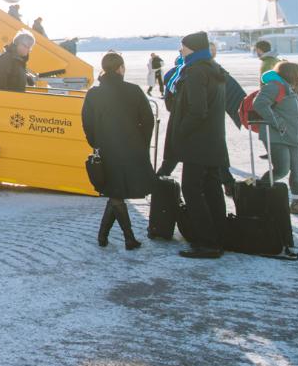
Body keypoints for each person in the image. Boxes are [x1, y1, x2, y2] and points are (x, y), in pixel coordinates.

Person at [82, 52, 155, 249]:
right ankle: (127, 238)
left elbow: (87, 123)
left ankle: (104, 237)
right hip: (132, 149)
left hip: (106, 149)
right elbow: (148, 121)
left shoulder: (94, 94)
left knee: (115, 191)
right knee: (117, 192)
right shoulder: (133, 90)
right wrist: (141, 143)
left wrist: (96, 143)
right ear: (120, 68)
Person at [168, 31, 229, 259]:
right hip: (213, 142)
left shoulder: (195, 72)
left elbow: (197, 110)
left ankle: (206, 242)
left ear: (191, 48)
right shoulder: (215, 70)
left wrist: (181, 131)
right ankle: (219, 238)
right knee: (212, 190)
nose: (181, 51)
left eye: (182, 47)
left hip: (198, 144)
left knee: (192, 190)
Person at [253, 61, 298, 216]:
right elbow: (259, 104)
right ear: (292, 74)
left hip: (295, 137)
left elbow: (289, 110)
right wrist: (279, 123)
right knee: (281, 169)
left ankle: (297, 203)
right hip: (277, 136)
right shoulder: (275, 86)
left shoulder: (289, 88)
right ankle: (259, 193)